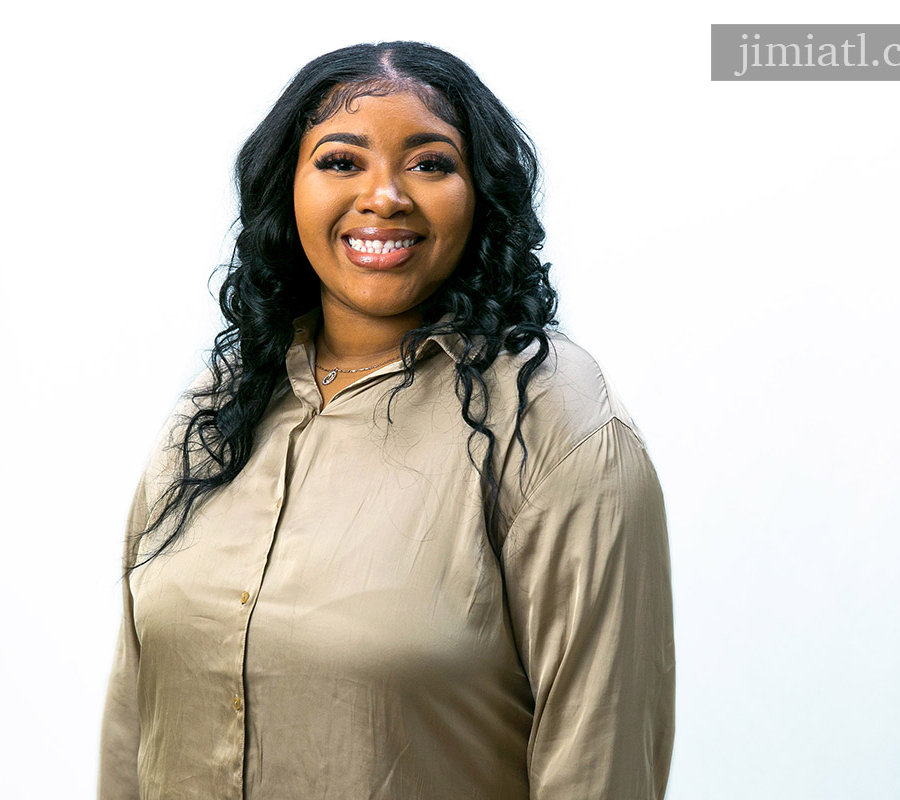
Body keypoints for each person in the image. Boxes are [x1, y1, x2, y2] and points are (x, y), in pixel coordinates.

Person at [98, 40, 675, 800]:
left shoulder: (553, 421)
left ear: (482, 195)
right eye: (341, 162)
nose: (385, 196)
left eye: (430, 163)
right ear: (287, 189)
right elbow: (134, 720)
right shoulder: (216, 410)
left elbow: (599, 758)